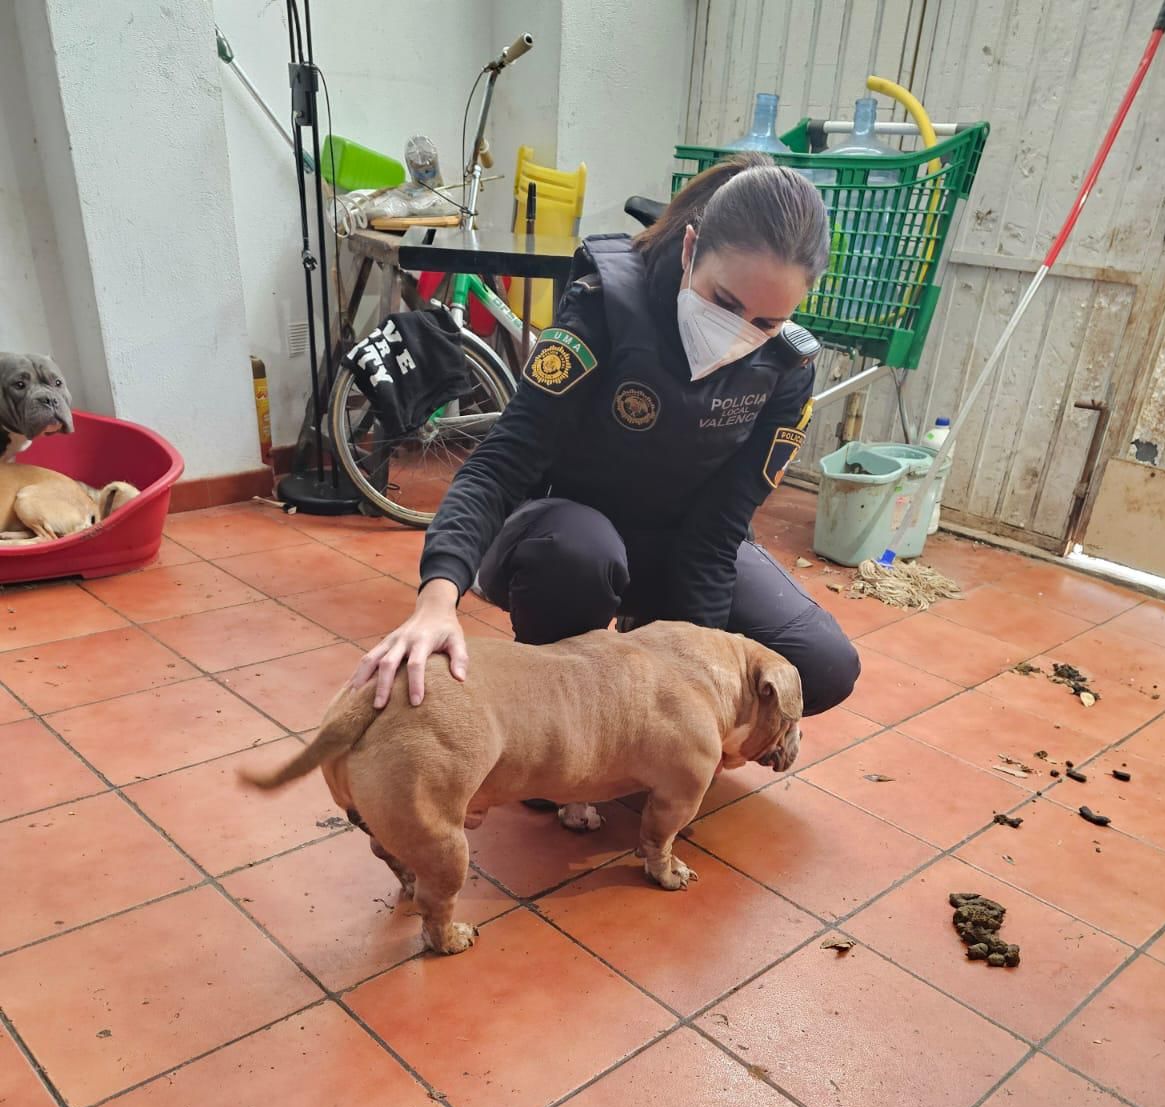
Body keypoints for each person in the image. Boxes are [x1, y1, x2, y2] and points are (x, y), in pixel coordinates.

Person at [352, 151, 861, 722]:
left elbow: (718, 530)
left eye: (766, 323)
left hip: (677, 547)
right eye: (724, 303)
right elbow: (500, 464)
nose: (739, 333)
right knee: (581, 552)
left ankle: (640, 677)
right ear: (691, 249)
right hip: (563, 536)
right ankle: (552, 720)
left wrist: (697, 688)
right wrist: (437, 600)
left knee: (821, 667)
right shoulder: (604, 311)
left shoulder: (786, 370)